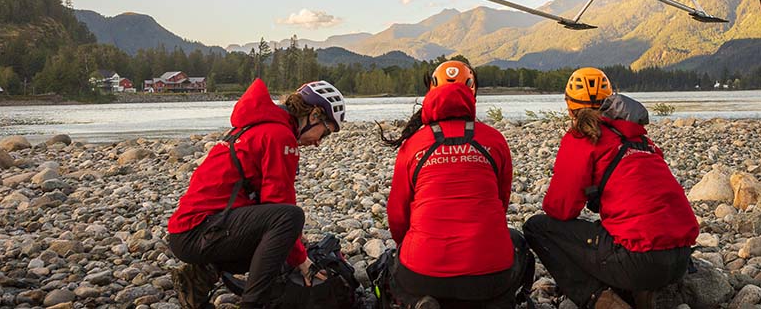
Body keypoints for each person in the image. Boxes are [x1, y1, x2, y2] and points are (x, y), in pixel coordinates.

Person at [523, 67, 698, 309]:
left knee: (537, 228)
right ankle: (644, 294)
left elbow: (561, 209)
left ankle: (600, 300)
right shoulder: (640, 139)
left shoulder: (582, 137)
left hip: (638, 261)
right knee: (615, 230)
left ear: (569, 105)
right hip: (680, 259)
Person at [167, 78, 347, 309]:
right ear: (314, 115)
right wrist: (301, 260)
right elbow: (280, 205)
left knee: (281, 237)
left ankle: (197, 278)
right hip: (198, 232)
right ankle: (252, 305)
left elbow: (265, 206)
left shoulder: (262, 124)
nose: (318, 143)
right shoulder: (280, 136)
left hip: (191, 231)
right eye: (325, 133)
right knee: (290, 218)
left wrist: (295, 244)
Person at [381, 61, 534, 308]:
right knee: (518, 243)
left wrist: (411, 243)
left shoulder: (414, 144)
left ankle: (418, 299)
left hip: (423, 272)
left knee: (393, 264)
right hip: (489, 275)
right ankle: (495, 300)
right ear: (473, 92)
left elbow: (397, 215)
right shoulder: (494, 140)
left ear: (431, 90)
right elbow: (501, 204)